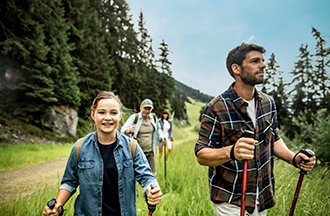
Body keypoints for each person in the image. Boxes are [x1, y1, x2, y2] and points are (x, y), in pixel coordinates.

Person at [194, 43, 316, 216]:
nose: (263, 65)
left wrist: (294, 158)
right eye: (255, 61)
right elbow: (202, 154)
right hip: (232, 200)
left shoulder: (268, 103)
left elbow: (273, 138)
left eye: (263, 61)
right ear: (236, 68)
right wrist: (232, 152)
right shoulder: (216, 107)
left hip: (262, 195)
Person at [42, 91, 162, 216]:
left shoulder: (132, 147)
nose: (108, 117)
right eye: (101, 112)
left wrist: (151, 189)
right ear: (93, 114)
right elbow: (69, 182)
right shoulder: (80, 147)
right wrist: (58, 205)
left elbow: (147, 177)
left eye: (113, 112)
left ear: (120, 115)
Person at [121, 98, 164, 176]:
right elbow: (122, 130)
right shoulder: (135, 117)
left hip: (150, 152)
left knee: (153, 175)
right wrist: (128, 131)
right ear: (141, 107)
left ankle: (149, 188)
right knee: (137, 175)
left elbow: (158, 129)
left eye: (149, 109)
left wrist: (161, 136)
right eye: (145, 108)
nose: (147, 111)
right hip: (138, 153)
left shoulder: (153, 118)